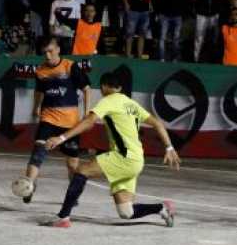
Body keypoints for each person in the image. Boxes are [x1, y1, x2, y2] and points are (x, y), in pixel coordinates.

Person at [44, 71, 180, 228]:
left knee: (81, 170)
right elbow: (157, 123)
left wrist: (61, 138)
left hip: (124, 157)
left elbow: (89, 122)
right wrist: (169, 147)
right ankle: (162, 208)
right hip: (136, 160)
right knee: (126, 212)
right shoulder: (131, 104)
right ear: (120, 87)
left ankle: (63, 217)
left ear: (103, 87)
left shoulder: (108, 100)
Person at [22, 37, 91, 204]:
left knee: (72, 164)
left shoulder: (70, 66)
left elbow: (87, 88)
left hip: (70, 123)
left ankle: (72, 195)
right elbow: (39, 91)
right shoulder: (40, 71)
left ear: (58, 50)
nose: (47, 55)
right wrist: (36, 106)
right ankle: (29, 186)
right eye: (44, 52)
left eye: (50, 51)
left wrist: (87, 112)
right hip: (48, 118)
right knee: (38, 152)